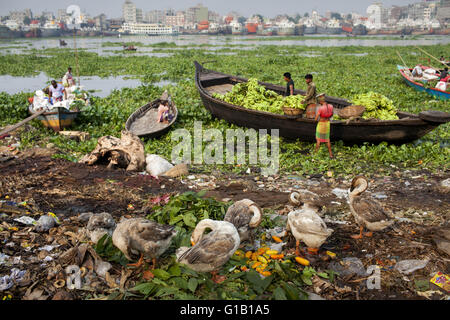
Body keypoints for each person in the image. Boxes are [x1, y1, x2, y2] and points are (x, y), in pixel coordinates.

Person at [314, 93, 334, 159]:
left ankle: (315, 153)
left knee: (318, 139)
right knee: (327, 139)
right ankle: (330, 154)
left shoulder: (321, 108)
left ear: (321, 101)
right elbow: (331, 115)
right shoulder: (331, 106)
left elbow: (316, 119)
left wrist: (315, 119)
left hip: (321, 124)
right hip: (327, 124)